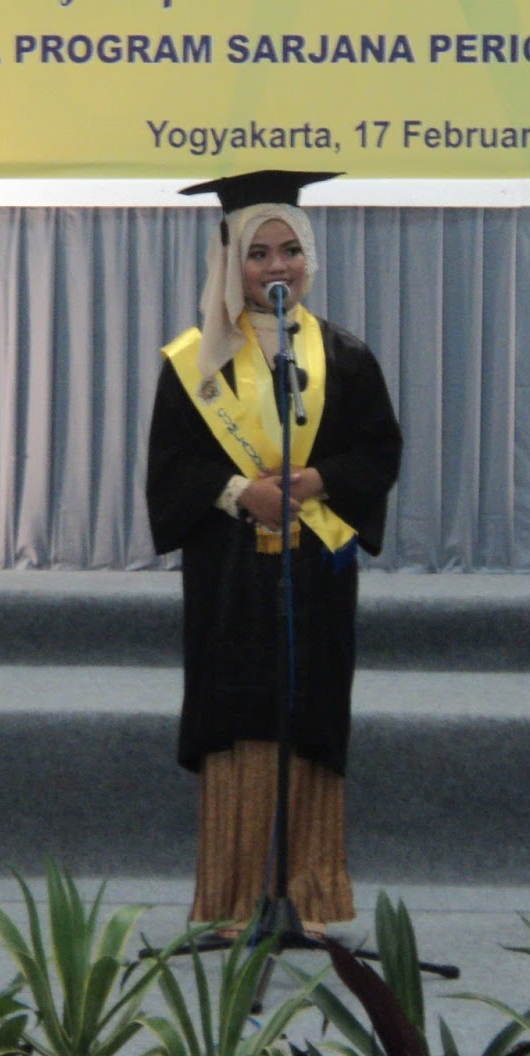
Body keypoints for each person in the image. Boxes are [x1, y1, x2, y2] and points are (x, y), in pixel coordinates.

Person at [146, 169, 403, 932]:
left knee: (310, 712)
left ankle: (310, 898)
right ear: (231, 263)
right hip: (229, 575)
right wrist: (237, 492)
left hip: (314, 571)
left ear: (309, 257)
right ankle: (232, 902)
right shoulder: (197, 364)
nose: (277, 266)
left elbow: (378, 452)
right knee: (238, 717)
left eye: (290, 250)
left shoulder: (344, 356)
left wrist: (322, 478)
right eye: (258, 254)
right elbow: (171, 469)